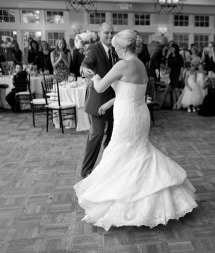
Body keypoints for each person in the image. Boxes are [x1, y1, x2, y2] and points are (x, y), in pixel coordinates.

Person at [73, 29, 197, 231]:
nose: (115, 51)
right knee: (137, 152)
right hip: (139, 114)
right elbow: (129, 92)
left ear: (122, 47)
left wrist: (93, 75)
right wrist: (110, 103)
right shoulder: (139, 64)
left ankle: (125, 200)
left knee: (120, 153)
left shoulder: (122, 64)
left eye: (115, 47)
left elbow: (101, 87)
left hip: (127, 117)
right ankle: (144, 195)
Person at [79, 23, 117, 178]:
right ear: (99, 33)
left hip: (114, 99)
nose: (109, 36)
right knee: (97, 134)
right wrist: (84, 70)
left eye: (112, 33)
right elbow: (86, 62)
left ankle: (107, 168)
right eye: (106, 33)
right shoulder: (94, 49)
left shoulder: (116, 49)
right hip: (98, 98)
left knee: (112, 136)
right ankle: (86, 171)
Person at [166, 44, 184, 109]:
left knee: (177, 89)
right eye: (171, 48)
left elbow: (182, 66)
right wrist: (168, 55)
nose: (171, 49)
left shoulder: (179, 56)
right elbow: (168, 66)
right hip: (172, 73)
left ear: (175, 48)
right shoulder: (170, 56)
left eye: (172, 48)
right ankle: (174, 103)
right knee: (173, 89)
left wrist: (181, 75)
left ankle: (179, 103)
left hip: (178, 73)